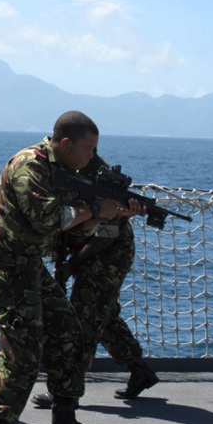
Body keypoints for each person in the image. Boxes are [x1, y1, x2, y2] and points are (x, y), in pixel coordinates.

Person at [0, 111, 123, 424]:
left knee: (68, 330)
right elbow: (47, 220)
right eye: (88, 149)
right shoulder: (31, 166)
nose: (92, 156)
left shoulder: (64, 170)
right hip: (3, 264)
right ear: (66, 143)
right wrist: (95, 208)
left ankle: (65, 413)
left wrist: (108, 214)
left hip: (27, 263)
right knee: (23, 352)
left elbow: (75, 231)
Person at [30, 154, 159, 409]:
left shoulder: (101, 179)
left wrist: (71, 264)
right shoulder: (67, 167)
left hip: (107, 256)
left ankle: (66, 392)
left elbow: (105, 236)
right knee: (104, 316)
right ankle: (139, 369)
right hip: (85, 251)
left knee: (83, 321)